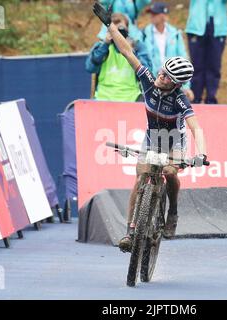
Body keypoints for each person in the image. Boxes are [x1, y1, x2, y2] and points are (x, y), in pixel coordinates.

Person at [93, 2, 208, 252]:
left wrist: (201, 154)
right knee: (140, 178)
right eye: (162, 71)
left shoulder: (180, 99)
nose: (161, 76)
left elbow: (196, 128)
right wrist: (109, 25)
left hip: (174, 142)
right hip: (152, 138)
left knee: (171, 172)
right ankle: (130, 231)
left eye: (167, 77)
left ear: (176, 85)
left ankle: (173, 212)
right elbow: (126, 51)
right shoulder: (148, 80)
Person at [86, 13, 152, 102]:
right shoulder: (101, 46)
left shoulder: (137, 46)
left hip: (131, 98)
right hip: (103, 98)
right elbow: (90, 68)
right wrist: (105, 45)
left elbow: (147, 75)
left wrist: (131, 51)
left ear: (127, 30)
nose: (118, 35)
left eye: (121, 31)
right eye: (114, 31)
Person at [142, 2, 194, 101]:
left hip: (172, 82)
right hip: (152, 81)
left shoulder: (175, 34)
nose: (151, 16)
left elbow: (184, 60)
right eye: (151, 14)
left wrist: (186, 86)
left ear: (163, 15)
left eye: (155, 14)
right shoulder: (144, 33)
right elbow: (142, 59)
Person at [185, 0, 227, 104]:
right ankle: (195, 98)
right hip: (196, 26)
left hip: (218, 27)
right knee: (196, 65)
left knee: (214, 65)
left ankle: (211, 98)